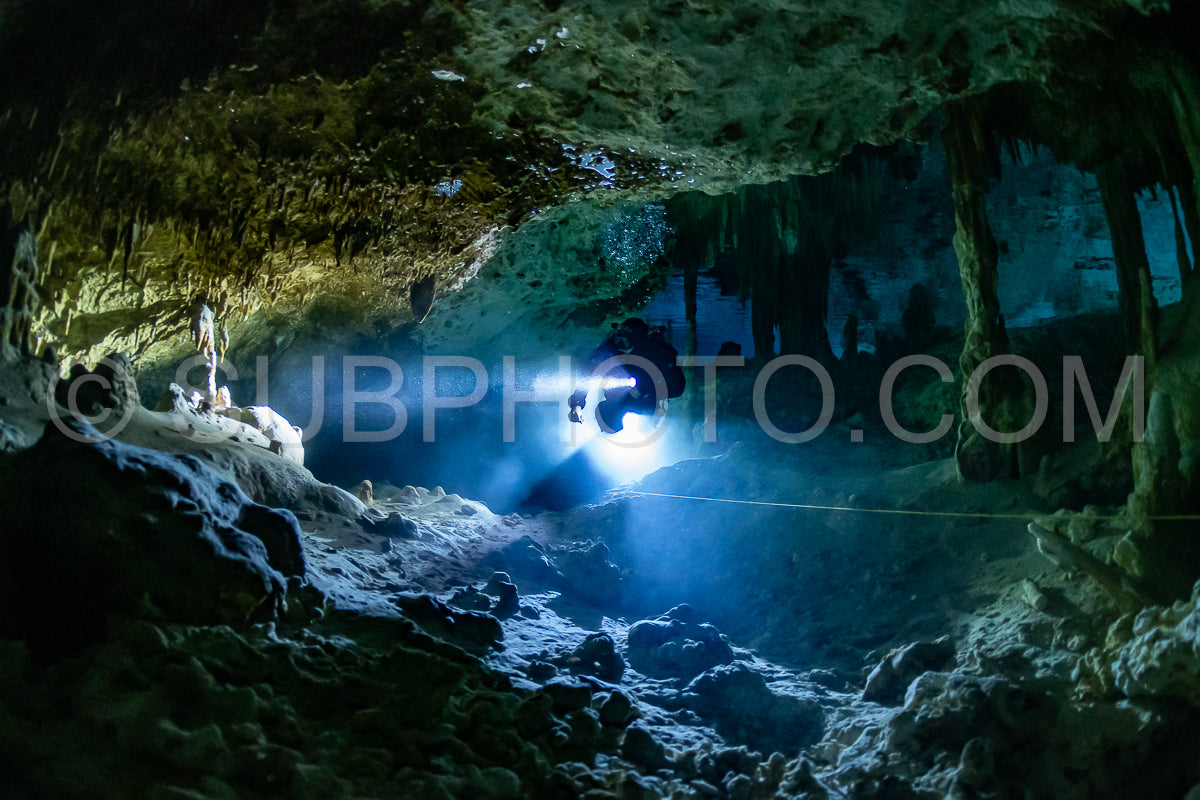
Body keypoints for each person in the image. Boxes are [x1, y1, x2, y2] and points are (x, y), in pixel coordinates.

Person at [568, 317, 685, 432]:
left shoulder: (657, 353)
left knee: (652, 410)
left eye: (624, 342)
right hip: (623, 393)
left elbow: (677, 388)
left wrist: (645, 389)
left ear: (637, 342)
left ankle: (656, 334)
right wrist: (577, 404)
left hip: (647, 396)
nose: (619, 345)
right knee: (608, 422)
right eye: (617, 339)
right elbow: (588, 374)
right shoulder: (610, 348)